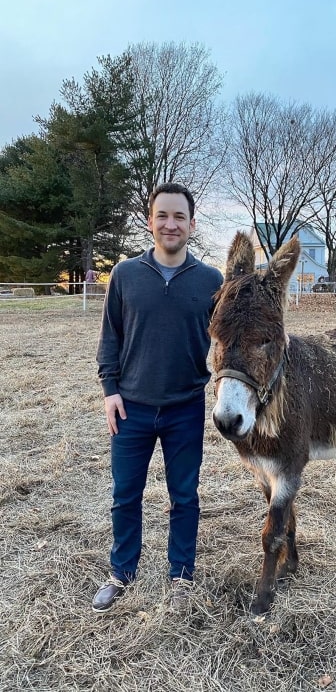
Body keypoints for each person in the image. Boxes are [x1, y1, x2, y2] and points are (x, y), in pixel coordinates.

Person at [92, 182, 223, 613]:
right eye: (162, 216)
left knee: (184, 496)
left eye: (179, 217)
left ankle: (181, 576)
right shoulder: (126, 275)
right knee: (125, 494)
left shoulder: (210, 282)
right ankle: (121, 573)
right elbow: (110, 335)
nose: (171, 224)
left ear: (191, 224)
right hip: (131, 407)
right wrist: (110, 390)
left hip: (185, 407)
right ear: (150, 221)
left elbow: (226, 341)